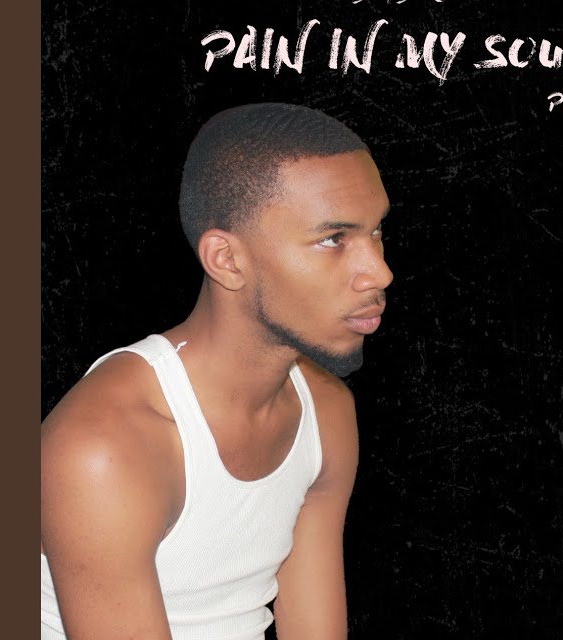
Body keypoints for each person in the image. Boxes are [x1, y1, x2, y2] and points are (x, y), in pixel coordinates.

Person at [40, 103, 392, 640]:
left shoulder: (325, 412)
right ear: (227, 260)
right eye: (333, 239)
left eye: (377, 231)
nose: (379, 272)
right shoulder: (104, 447)